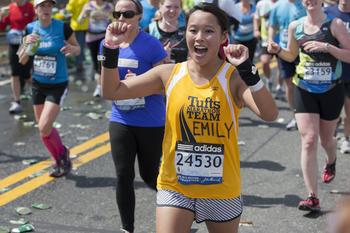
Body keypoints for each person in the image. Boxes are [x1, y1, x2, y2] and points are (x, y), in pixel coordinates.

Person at [101, 3, 277, 232]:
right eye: (193, 30)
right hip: (176, 188)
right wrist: (111, 49)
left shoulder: (232, 78)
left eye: (209, 31)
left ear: (224, 36)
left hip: (221, 189)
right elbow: (112, 91)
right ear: (185, 33)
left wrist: (248, 72)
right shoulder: (169, 73)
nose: (199, 37)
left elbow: (270, 114)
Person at [268, 0, 350, 212]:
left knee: (326, 140)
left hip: (331, 90)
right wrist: (278, 50)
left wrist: (327, 47)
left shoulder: (336, 25)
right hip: (304, 88)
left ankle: (331, 160)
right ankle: (312, 196)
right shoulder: (296, 26)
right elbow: (291, 55)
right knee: (309, 139)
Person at [99, 0, 168, 232]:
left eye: (127, 14)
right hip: (121, 120)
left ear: (139, 17)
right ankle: (127, 228)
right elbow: (105, 86)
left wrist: (136, 85)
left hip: (150, 121)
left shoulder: (152, 45)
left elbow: (167, 85)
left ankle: (181, 208)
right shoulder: (107, 45)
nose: (121, 18)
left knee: (150, 176)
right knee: (123, 175)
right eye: (117, 13)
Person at [18, 0, 80, 177]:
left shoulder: (62, 27)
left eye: (49, 6)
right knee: (43, 129)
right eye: (42, 6)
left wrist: (71, 49)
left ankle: (62, 155)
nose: (46, 9)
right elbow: (22, 60)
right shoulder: (30, 29)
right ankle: (60, 158)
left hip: (57, 85)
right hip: (38, 84)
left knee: (45, 125)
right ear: (36, 9)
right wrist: (27, 46)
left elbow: (78, 49)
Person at [268, 0, 306, 130]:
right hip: (284, 50)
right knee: (289, 84)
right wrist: (270, 40)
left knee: (304, 82)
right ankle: (295, 116)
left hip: (303, 50)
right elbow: (272, 25)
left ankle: (309, 113)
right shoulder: (278, 6)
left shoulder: (304, 4)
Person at [0, 0, 35, 114]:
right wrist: (1, 16)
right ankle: (16, 101)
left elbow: (37, 25)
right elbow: (2, 27)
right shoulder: (9, 8)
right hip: (14, 43)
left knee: (26, 74)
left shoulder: (30, 7)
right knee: (14, 73)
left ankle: (42, 92)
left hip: (28, 42)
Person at [325, 0, 350, 154]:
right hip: (332, 71)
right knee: (331, 112)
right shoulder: (329, 13)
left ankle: (346, 139)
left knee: (349, 111)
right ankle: (331, 138)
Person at [78, 0, 113, 97]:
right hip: (91, 38)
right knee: (95, 61)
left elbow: (115, 20)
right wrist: (85, 14)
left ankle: (99, 86)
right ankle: (100, 84)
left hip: (103, 38)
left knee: (100, 60)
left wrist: (109, 17)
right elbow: (79, 21)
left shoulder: (108, 6)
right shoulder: (88, 5)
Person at [253, 0, 278, 91]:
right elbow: (256, 18)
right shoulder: (261, 3)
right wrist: (256, 29)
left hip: (281, 39)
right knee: (264, 61)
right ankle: (269, 79)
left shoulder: (284, 3)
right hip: (265, 40)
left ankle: (280, 86)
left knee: (281, 66)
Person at [66, 0, 89, 73]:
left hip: (77, 26)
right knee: (82, 45)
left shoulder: (73, 1)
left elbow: (68, 11)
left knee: (78, 45)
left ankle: (79, 64)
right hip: (87, 26)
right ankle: (80, 63)